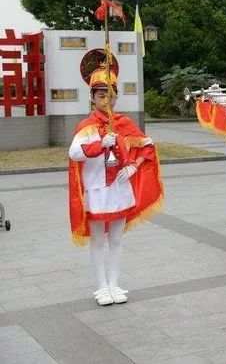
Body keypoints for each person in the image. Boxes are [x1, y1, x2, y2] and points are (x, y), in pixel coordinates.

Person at [68, 65, 164, 306]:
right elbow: (74, 153)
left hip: (120, 189)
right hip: (98, 189)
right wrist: (100, 144)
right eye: (101, 95)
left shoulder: (123, 123)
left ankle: (114, 283)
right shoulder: (87, 127)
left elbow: (147, 146)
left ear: (116, 96)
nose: (106, 100)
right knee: (98, 239)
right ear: (92, 98)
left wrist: (133, 166)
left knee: (118, 239)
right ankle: (101, 287)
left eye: (110, 95)